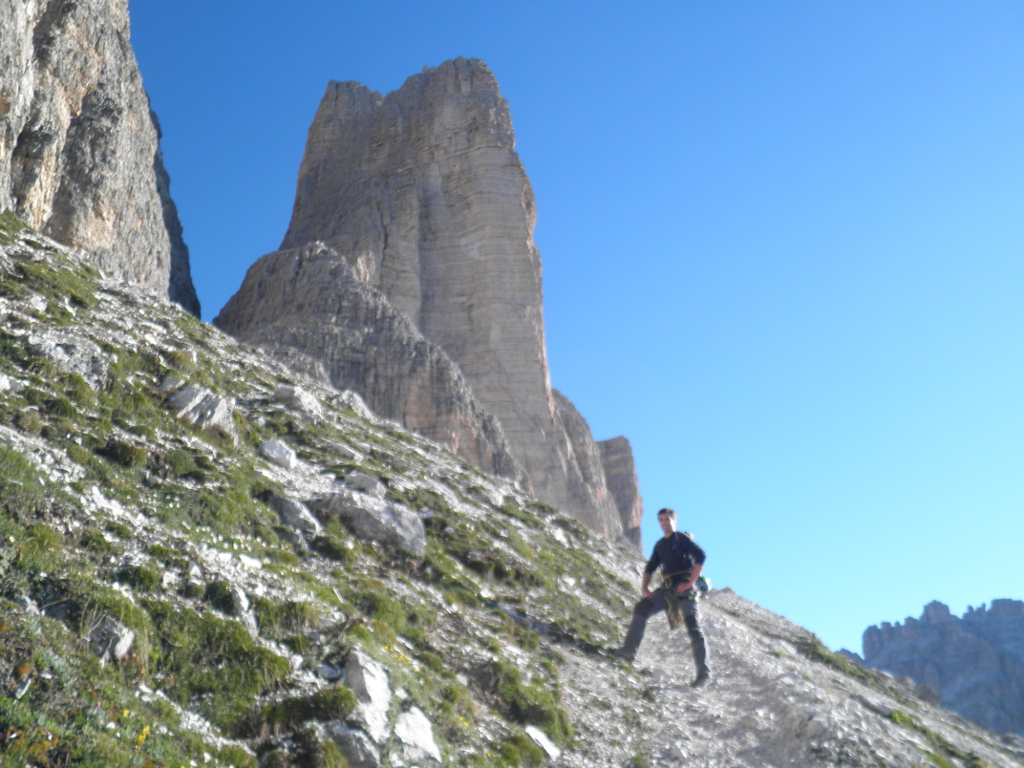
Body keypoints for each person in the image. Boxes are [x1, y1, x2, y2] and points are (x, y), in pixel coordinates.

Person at [616, 507, 711, 687]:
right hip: (667, 590)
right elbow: (651, 566)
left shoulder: (680, 538)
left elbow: (701, 555)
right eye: (661, 520)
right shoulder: (660, 545)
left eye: (667, 520)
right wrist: (644, 587)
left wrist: (690, 583)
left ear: (674, 521)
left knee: (693, 628)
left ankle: (704, 675)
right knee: (642, 608)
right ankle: (628, 651)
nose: (664, 523)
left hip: (685, 589)